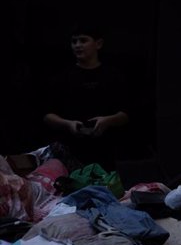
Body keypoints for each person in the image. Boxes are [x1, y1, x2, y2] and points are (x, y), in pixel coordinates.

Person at [43, 23, 131, 171]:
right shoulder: (62, 78)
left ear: (99, 44)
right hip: (69, 152)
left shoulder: (114, 76)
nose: (77, 45)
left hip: (106, 152)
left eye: (83, 40)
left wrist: (107, 121)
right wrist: (67, 123)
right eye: (74, 41)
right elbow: (46, 115)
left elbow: (127, 113)